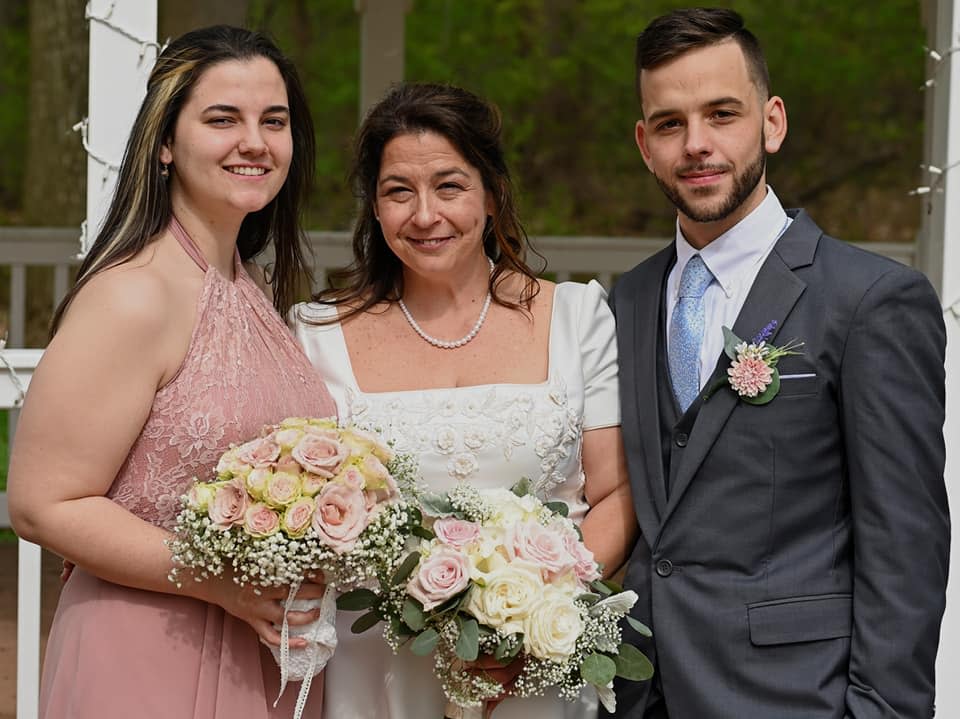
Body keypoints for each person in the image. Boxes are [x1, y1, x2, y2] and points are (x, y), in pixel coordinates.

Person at [607, 8, 949, 719]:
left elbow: (905, 547)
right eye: (669, 124)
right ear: (643, 144)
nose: (696, 144)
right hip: (639, 694)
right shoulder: (628, 300)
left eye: (722, 114)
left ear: (773, 122)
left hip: (798, 700)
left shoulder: (871, 301)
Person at [8, 25, 335, 719]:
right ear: (164, 142)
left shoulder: (247, 288)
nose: (255, 141)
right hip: (146, 650)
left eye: (273, 122)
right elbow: (42, 501)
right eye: (223, 119)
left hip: (257, 655)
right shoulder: (133, 295)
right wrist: (219, 579)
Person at [291, 81, 638, 719]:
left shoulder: (577, 317)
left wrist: (538, 609)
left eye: (449, 186)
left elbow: (615, 493)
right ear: (374, 206)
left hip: (534, 665)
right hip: (377, 670)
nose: (426, 215)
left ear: (493, 193)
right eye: (400, 191)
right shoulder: (316, 335)